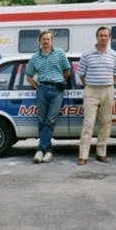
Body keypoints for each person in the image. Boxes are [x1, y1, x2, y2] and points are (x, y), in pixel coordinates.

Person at [24, 29, 71, 164]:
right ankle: (48, 151)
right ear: (39, 41)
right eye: (43, 39)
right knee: (41, 120)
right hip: (42, 89)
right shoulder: (34, 58)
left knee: (50, 120)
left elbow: (67, 71)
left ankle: (40, 150)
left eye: (48, 39)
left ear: (52, 41)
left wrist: (61, 81)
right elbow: (28, 76)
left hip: (57, 91)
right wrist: (38, 87)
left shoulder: (60, 53)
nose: (46, 41)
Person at [76, 26, 116, 166]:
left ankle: (101, 153)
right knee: (88, 123)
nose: (103, 38)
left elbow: (115, 75)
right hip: (91, 91)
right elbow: (81, 75)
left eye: (106, 36)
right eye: (101, 35)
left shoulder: (114, 55)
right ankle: (83, 156)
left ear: (109, 37)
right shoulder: (87, 54)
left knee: (106, 123)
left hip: (108, 91)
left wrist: (105, 84)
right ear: (97, 37)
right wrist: (91, 85)